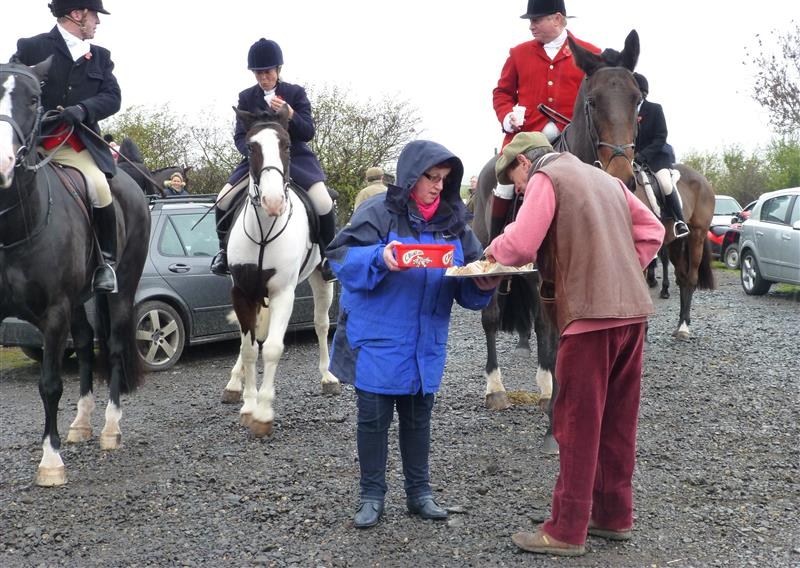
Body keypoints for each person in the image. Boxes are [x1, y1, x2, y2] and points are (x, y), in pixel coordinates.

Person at [485, 131, 665, 557]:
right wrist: (620, 268)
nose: (520, 190)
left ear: (524, 162)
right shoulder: (605, 179)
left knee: (576, 424)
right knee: (618, 421)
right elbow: (653, 230)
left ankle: (566, 529)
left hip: (589, 319)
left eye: (516, 181)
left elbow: (521, 245)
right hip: (632, 315)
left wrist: (492, 250)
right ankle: (613, 515)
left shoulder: (546, 177)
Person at [326, 140, 502, 529]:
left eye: (444, 179)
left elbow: (468, 281)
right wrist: (379, 257)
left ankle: (419, 494)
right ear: (410, 177)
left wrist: (485, 282)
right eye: (431, 177)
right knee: (373, 421)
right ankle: (371, 496)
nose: (438, 186)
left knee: (418, 420)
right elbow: (338, 259)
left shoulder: (455, 222)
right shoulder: (378, 211)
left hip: (426, 344)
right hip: (378, 340)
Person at [14, 0, 120, 293]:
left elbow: (112, 97)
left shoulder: (100, 57)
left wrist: (83, 109)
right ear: (77, 14)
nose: (98, 22)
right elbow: (12, 86)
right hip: (31, 142)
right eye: (94, 15)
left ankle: (106, 263)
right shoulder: (32, 48)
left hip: (74, 145)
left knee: (99, 187)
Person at [210, 38, 337, 281]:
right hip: (258, 160)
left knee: (322, 201)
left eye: (267, 72)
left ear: (278, 69)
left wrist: (291, 114)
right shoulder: (246, 97)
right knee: (223, 199)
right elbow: (240, 136)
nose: (263, 77)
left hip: (294, 158)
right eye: (258, 73)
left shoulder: (295, 93)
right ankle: (224, 252)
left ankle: (329, 256)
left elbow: (308, 132)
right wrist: (252, 153)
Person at [490, 0, 601, 242]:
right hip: (526, 138)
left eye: (536, 20)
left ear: (558, 19)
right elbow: (502, 93)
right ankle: (495, 243)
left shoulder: (591, 53)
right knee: (505, 185)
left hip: (574, 137)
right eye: (530, 21)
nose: (531, 26)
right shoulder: (518, 53)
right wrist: (507, 117)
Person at [634, 72, 689, 238]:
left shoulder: (655, 109)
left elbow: (660, 137)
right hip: (631, 158)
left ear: (642, 92)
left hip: (656, 159)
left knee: (665, 184)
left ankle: (679, 221)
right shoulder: (626, 112)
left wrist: (643, 155)